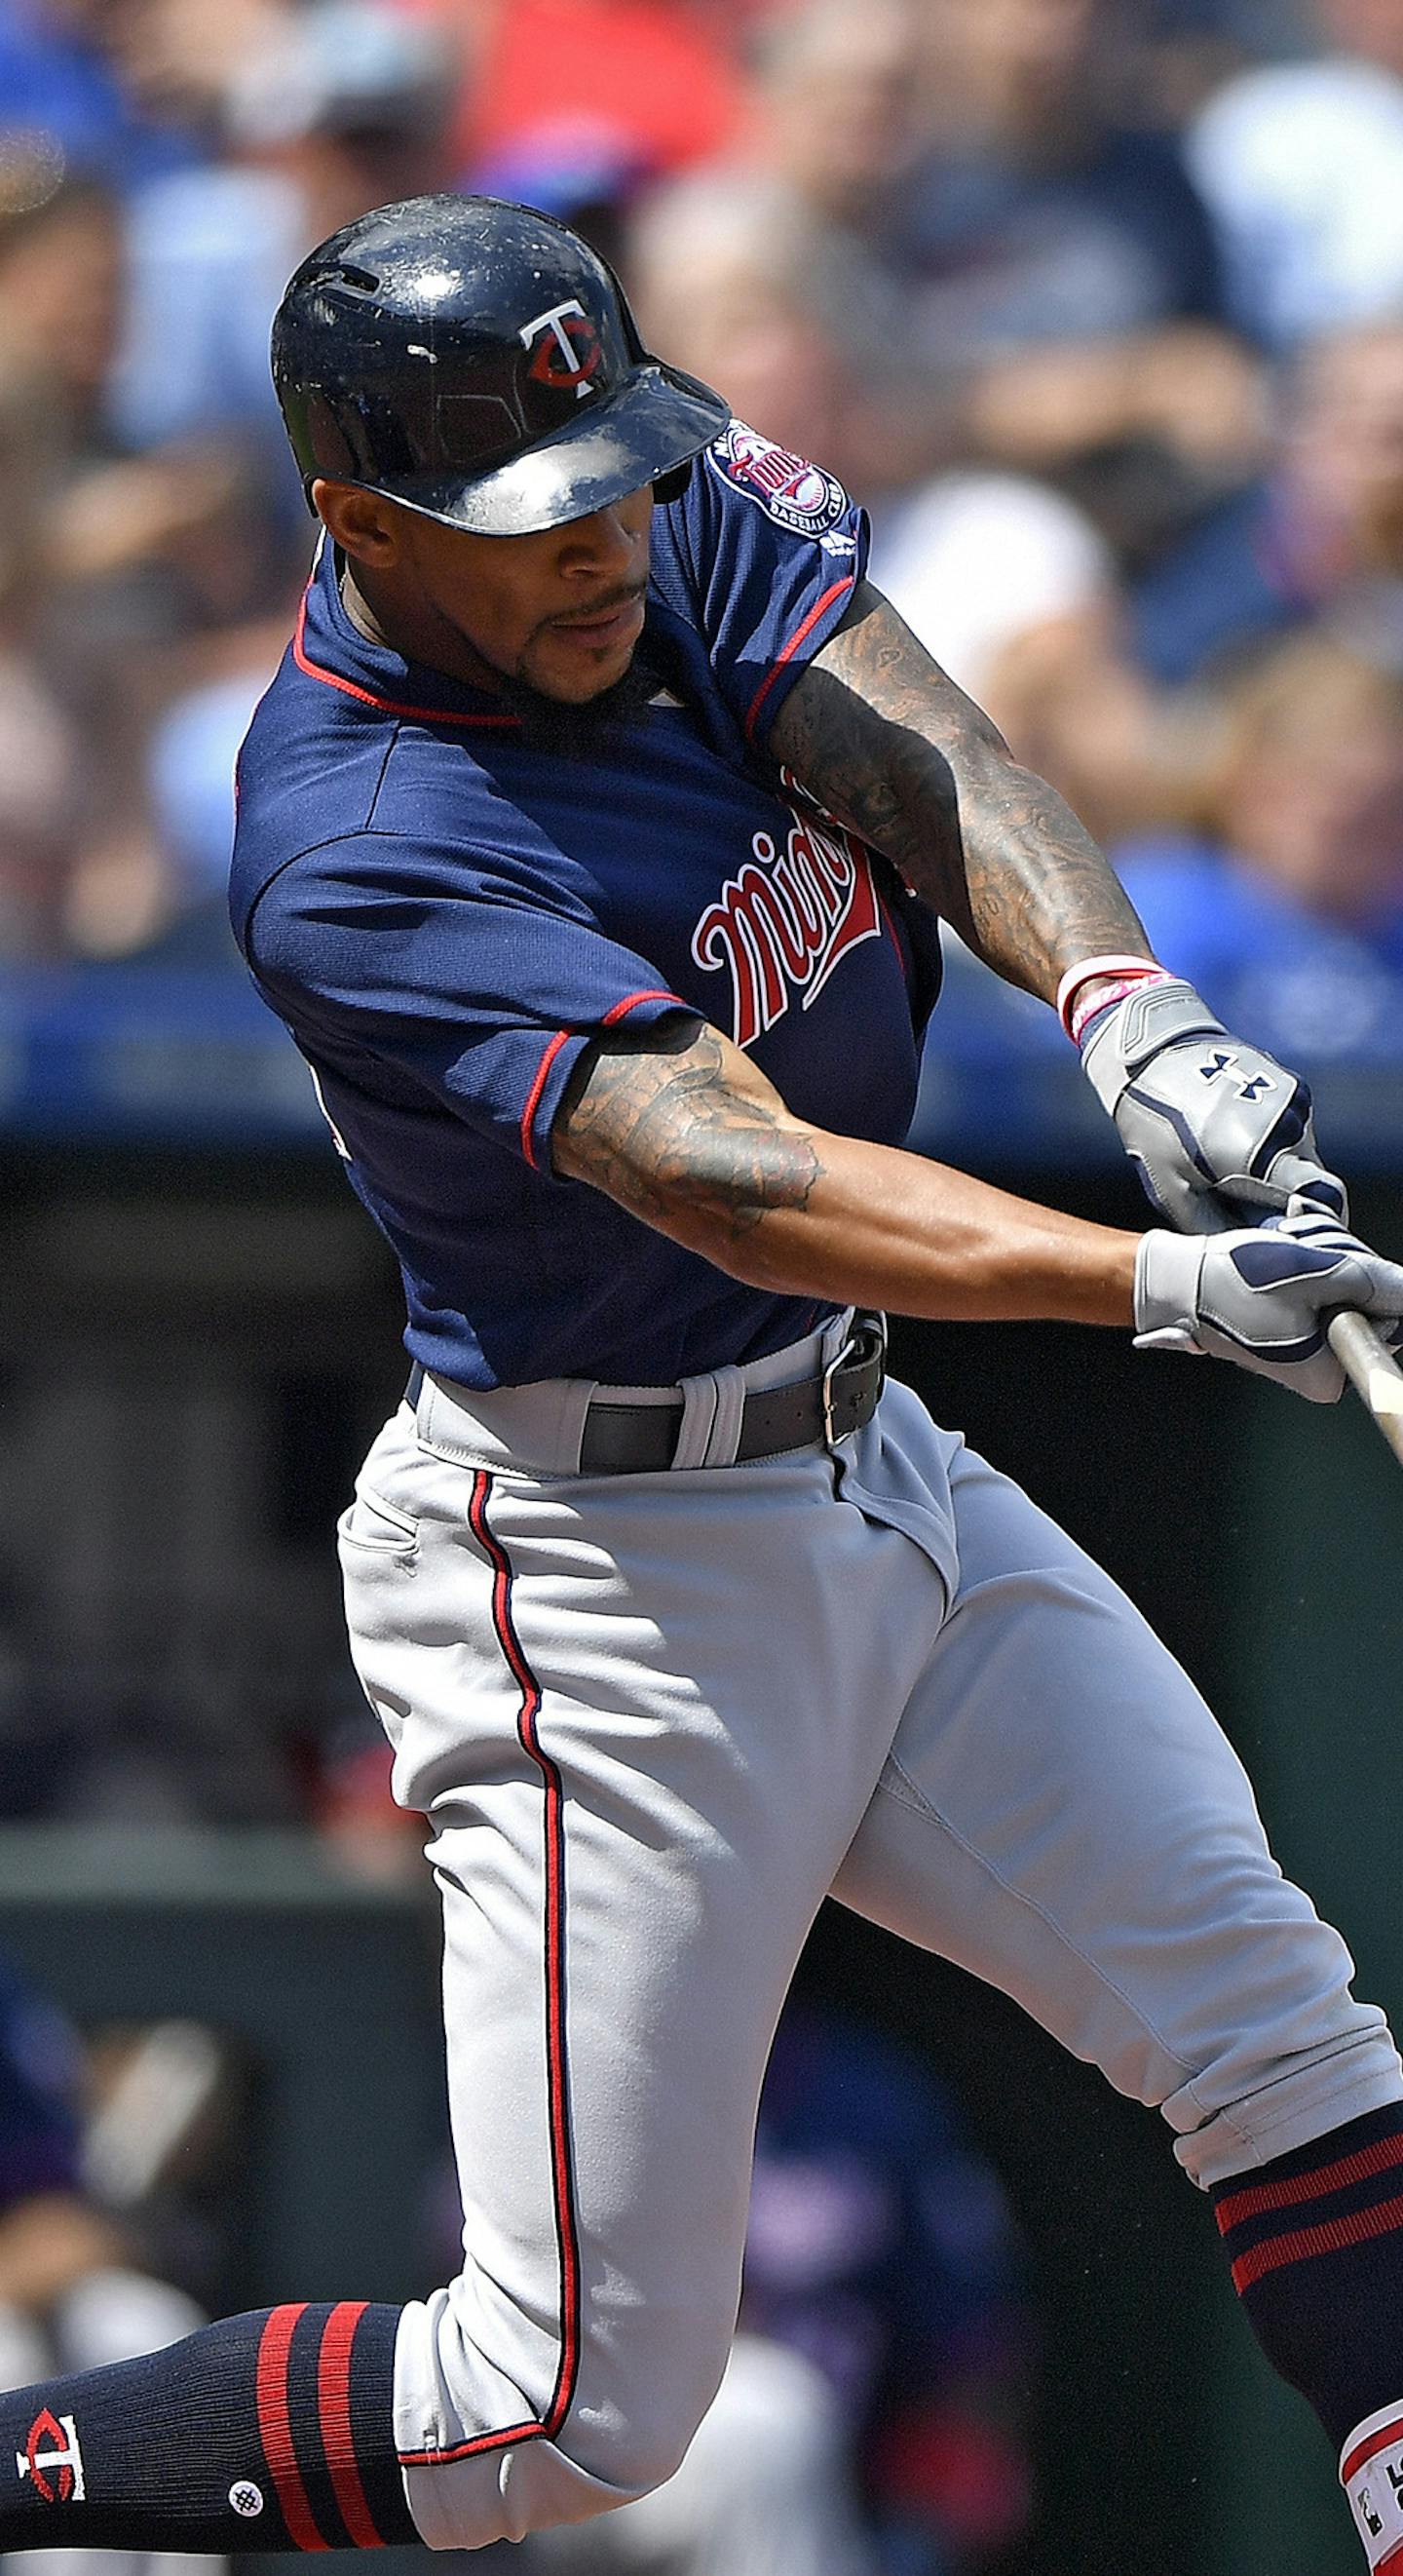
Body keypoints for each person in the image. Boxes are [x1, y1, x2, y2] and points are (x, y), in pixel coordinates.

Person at [3, 190, 1403, 2574]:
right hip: (596, 1569)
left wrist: (1124, 1006)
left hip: (868, 1459)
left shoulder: (646, 502)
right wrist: (1157, 1286)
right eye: (530, 518)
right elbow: (744, 1181)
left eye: (617, 477)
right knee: (554, 2411)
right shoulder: (355, 836)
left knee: (1287, 2038)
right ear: (358, 518)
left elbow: (921, 734)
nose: (603, 545)